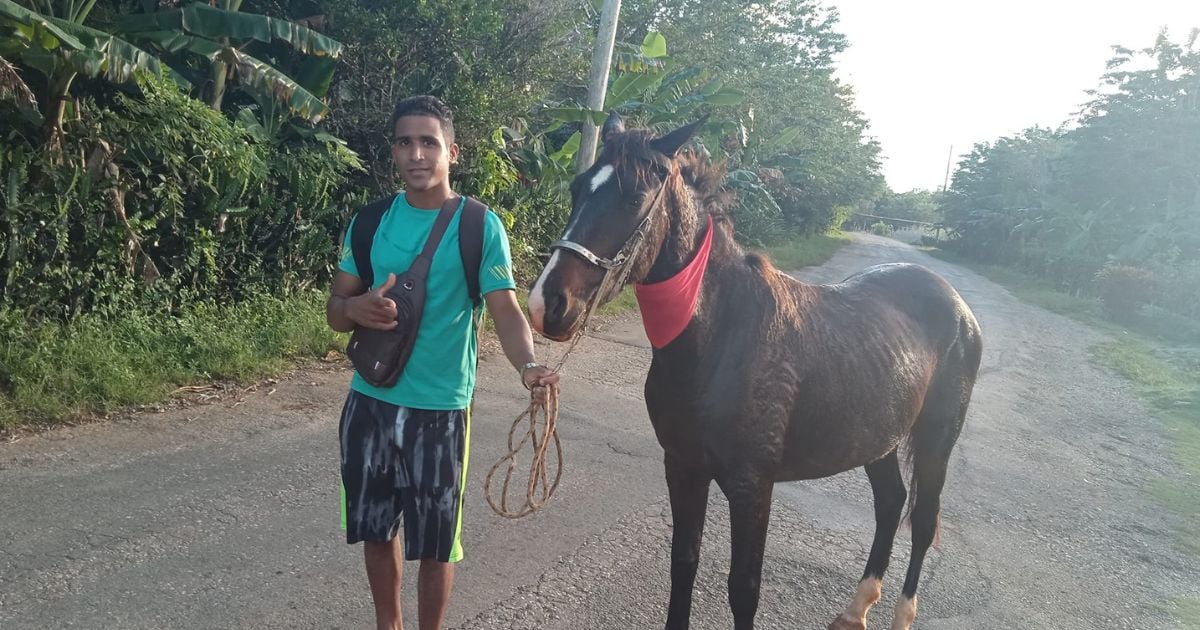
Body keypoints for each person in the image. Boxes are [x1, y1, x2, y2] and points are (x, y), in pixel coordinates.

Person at [325, 95, 559, 630]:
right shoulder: (370, 223)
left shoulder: (479, 226)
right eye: (405, 142)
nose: (417, 154)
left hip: (441, 409)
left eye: (429, 142)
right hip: (370, 401)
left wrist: (528, 366)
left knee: (436, 541)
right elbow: (336, 311)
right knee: (376, 528)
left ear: (452, 151)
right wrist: (354, 307)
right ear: (393, 153)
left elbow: (505, 311)